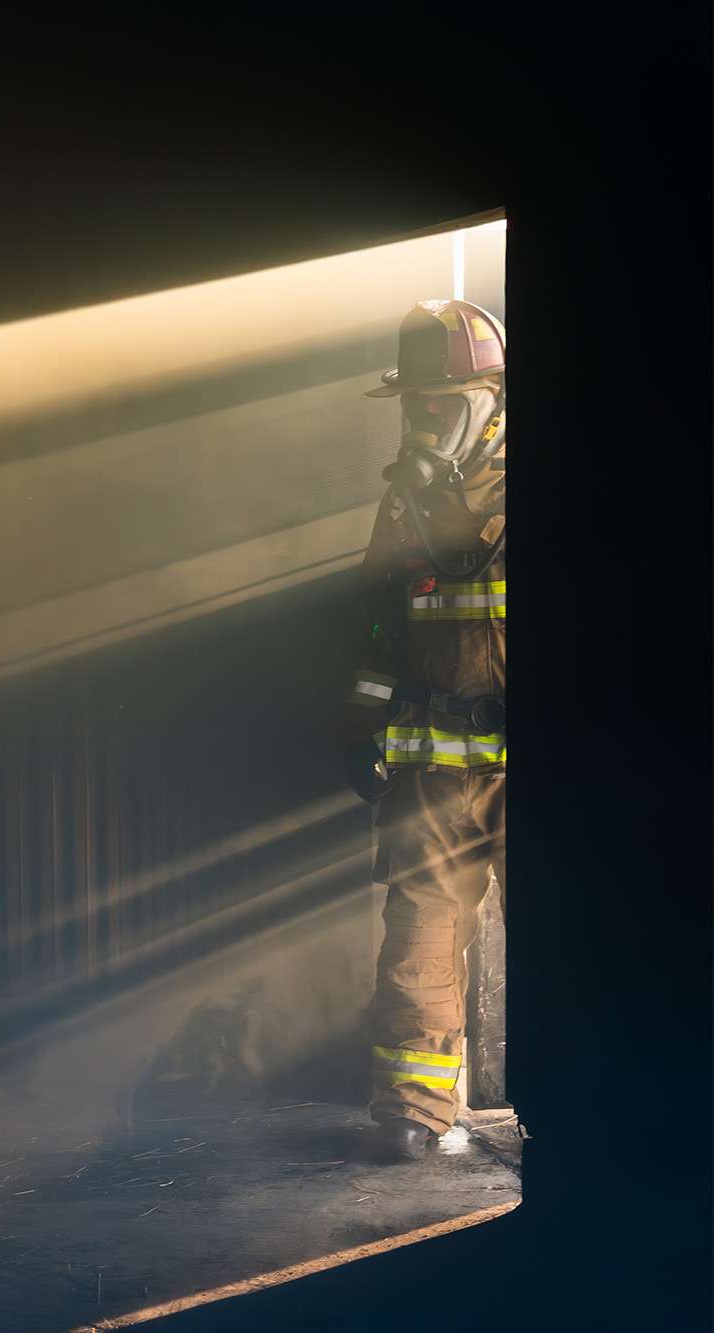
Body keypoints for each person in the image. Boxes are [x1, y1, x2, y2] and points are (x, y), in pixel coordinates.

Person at [339, 299, 507, 1162]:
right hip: (438, 768)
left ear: (489, 398)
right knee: (421, 928)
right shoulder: (404, 506)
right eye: (417, 407)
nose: (426, 423)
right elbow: (377, 624)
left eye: (441, 405)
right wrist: (363, 722)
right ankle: (413, 1105)